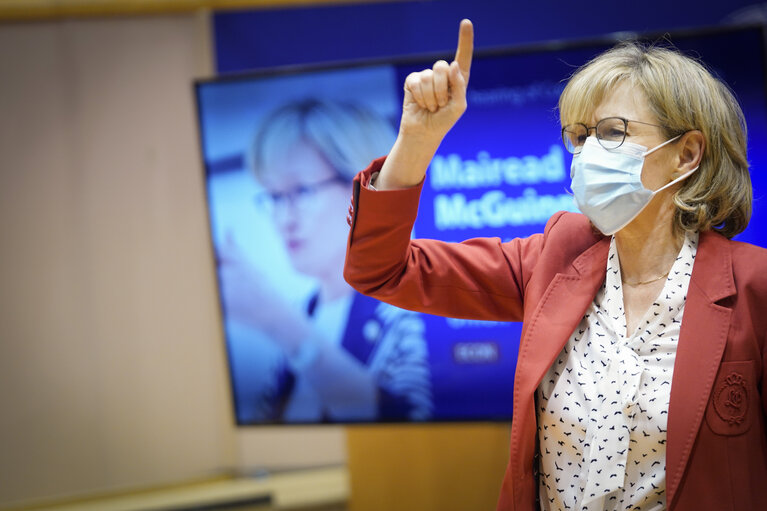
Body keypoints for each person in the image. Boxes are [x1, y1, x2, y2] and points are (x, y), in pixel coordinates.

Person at [343, 19, 767, 510]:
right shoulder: (556, 255)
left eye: (611, 133)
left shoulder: (754, 285)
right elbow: (381, 269)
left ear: (686, 154)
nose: (587, 155)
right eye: (579, 137)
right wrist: (416, 141)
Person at [218, 99, 432, 423]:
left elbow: (412, 425)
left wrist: (280, 324)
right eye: (275, 197)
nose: (283, 218)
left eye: (301, 191)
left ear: (366, 188)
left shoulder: (413, 309)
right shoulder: (303, 313)